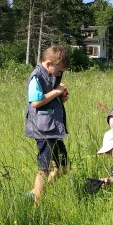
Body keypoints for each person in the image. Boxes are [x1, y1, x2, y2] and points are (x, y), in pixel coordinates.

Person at [25, 44, 70, 203]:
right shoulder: (36, 76)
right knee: (43, 169)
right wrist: (56, 92)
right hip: (43, 130)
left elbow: (52, 98)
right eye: (59, 70)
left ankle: (37, 191)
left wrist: (61, 97)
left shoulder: (53, 75)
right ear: (49, 64)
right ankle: (37, 203)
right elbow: (36, 102)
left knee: (64, 167)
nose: (60, 74)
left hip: (55, 129)